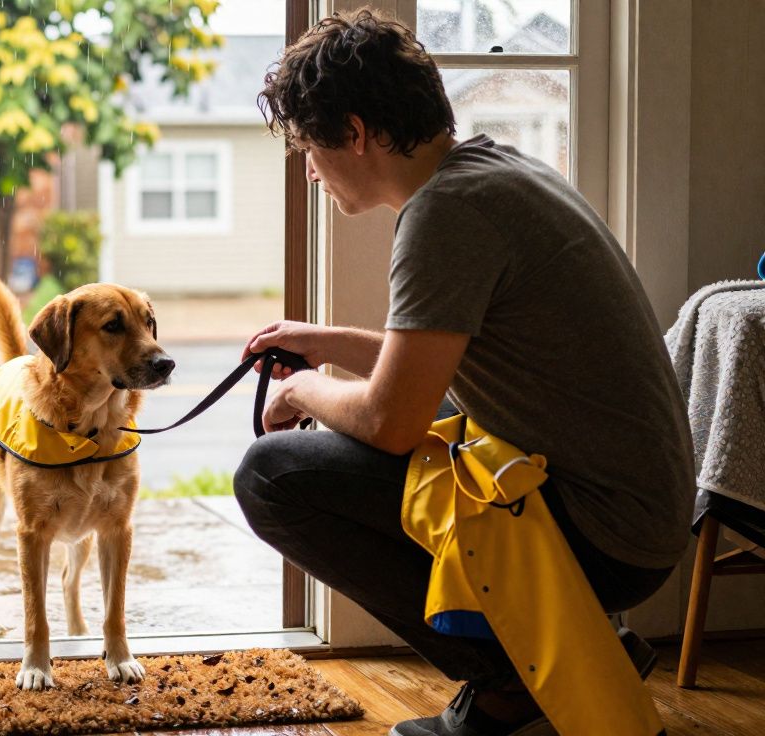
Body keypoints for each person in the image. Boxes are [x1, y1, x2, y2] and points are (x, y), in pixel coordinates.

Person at [233, 8, 695, 736]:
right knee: (402, 455)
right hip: (638, 518)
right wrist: (322, 342)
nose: (310, 169)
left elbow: (393, 421)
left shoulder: (445, 215)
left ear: (354, 132)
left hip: (608, 538)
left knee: (272, 476)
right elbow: (444, 362)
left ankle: (518, 685)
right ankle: (571, 649)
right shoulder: (493, 171)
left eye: (308, 148)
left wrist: (299, 388)